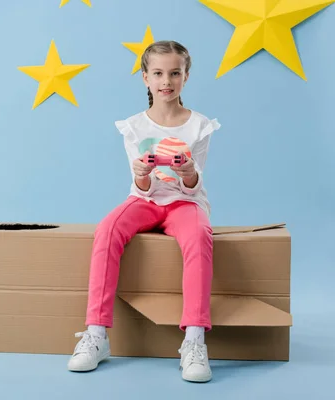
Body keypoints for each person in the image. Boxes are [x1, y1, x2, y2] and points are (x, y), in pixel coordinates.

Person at [67, 40, 220, 383]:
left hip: (185, 203)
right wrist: (142, 175)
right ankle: (96, 334)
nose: (167, 81)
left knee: (198, 234)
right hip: (145, 200)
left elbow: (195, 186)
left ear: (186, 77)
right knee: (107, 229)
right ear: (145, 78)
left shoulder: (199, 126)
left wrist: (188, 173)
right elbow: (141, 190)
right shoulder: (135, 127)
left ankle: (194, 340)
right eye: (158, 73)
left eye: (175, 73)